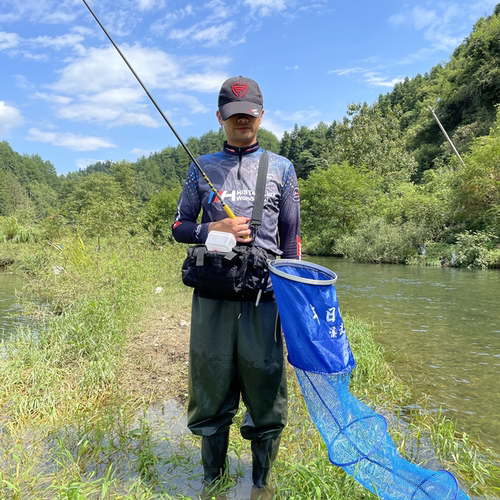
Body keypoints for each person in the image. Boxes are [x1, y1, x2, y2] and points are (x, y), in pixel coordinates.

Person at [172, 76, 301, 498]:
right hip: (211, 297)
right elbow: (179, 228)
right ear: (220, 118)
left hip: (265, 298)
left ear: (261, 115)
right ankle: (214, 484)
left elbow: (291, 242)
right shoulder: (200, 167)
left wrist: (296, 298)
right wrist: (214, 227)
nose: (242, 121)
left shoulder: (282, 168)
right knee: (209, 388)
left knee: (267, 390)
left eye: (249, 114)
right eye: (234, 116)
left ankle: (261, 486)